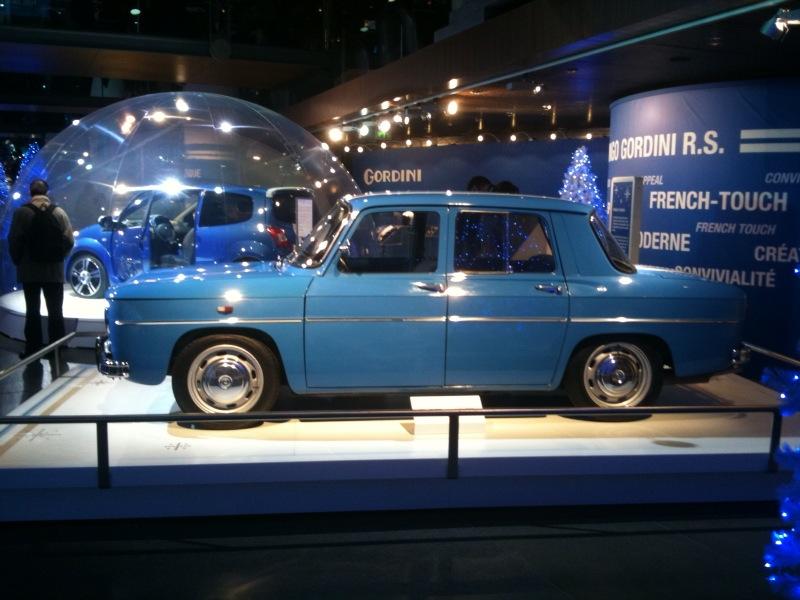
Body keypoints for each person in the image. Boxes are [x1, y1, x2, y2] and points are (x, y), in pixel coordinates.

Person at [8, 179, 74, 359]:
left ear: (30, 193)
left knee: (32, 311)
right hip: (54, 271)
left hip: (29, 271)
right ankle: (57, 351)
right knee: (56, 311)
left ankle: (33, 350)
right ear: (47, 192)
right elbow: (69, 240)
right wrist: (59, 257)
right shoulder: (59, 212)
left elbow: (14, 240)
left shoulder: (22, 213)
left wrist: (19, 261)